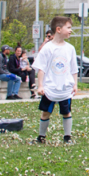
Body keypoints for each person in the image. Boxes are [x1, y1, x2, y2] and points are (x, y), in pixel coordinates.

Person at [33, 16, 78, 144]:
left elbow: (73, 69)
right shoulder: (47, 48)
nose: (70, 30)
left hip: (65, 88)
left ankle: (67, 137)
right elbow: (41, 68)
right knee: (45, 113)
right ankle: (41, 137)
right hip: (50, 87)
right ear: (58, 29)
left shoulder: (70, 48)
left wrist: (75, 84)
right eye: (68, 28)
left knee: (66, 112)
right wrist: (40, 85)